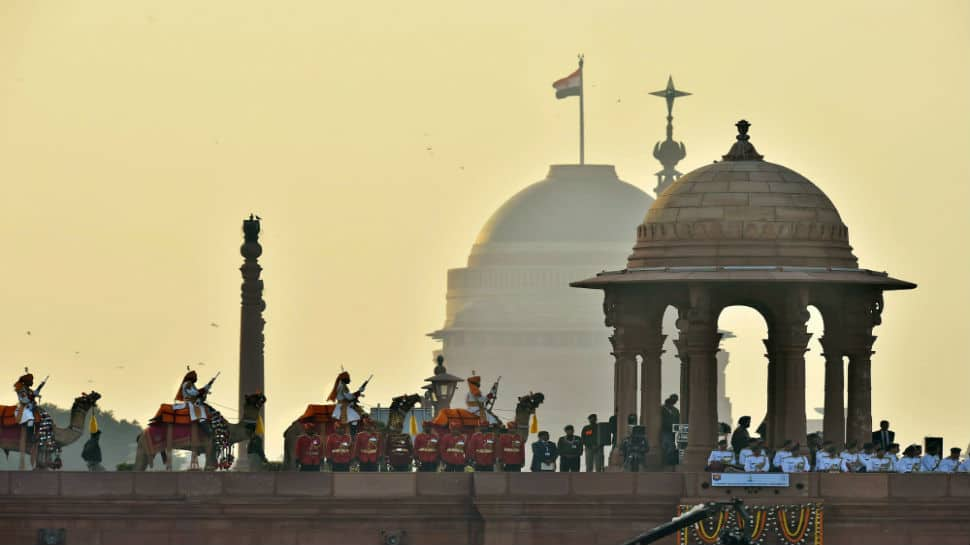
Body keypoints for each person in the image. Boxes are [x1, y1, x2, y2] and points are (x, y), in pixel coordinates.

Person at [328, 371, 365, 436]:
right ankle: (352, 435)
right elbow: (349, 397)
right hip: (343, 407)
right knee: (355, 417)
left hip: (343, 405)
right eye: (348, 378)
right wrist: (359, 391)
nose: (349, 380)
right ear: (344, 379)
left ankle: (351, 435)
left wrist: (358, 393)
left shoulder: (341, 385)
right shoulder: (342, 386)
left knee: (354, 418)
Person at [13, 371, 42, 442]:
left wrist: (39, 388)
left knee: (40, 417)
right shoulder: (21, 389)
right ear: (27, 381)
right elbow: (24, 400)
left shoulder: (27, 389)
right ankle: (29, 438)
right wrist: (32, 396)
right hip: (23, 409)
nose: (32, 382)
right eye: (31, 380)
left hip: (30, 408)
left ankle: (37, 435)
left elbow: (33, 394)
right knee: (30, 420)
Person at [660, 395, 681, 465]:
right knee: (666, 446)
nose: (674, 401)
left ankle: (668, 462)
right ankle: (664, 462)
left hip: (672, 432)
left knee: (671, 446)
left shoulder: (676, 411)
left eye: (675, 400)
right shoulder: (662, 409)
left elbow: (678, 421)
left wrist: (677, 429)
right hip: (664, 430)